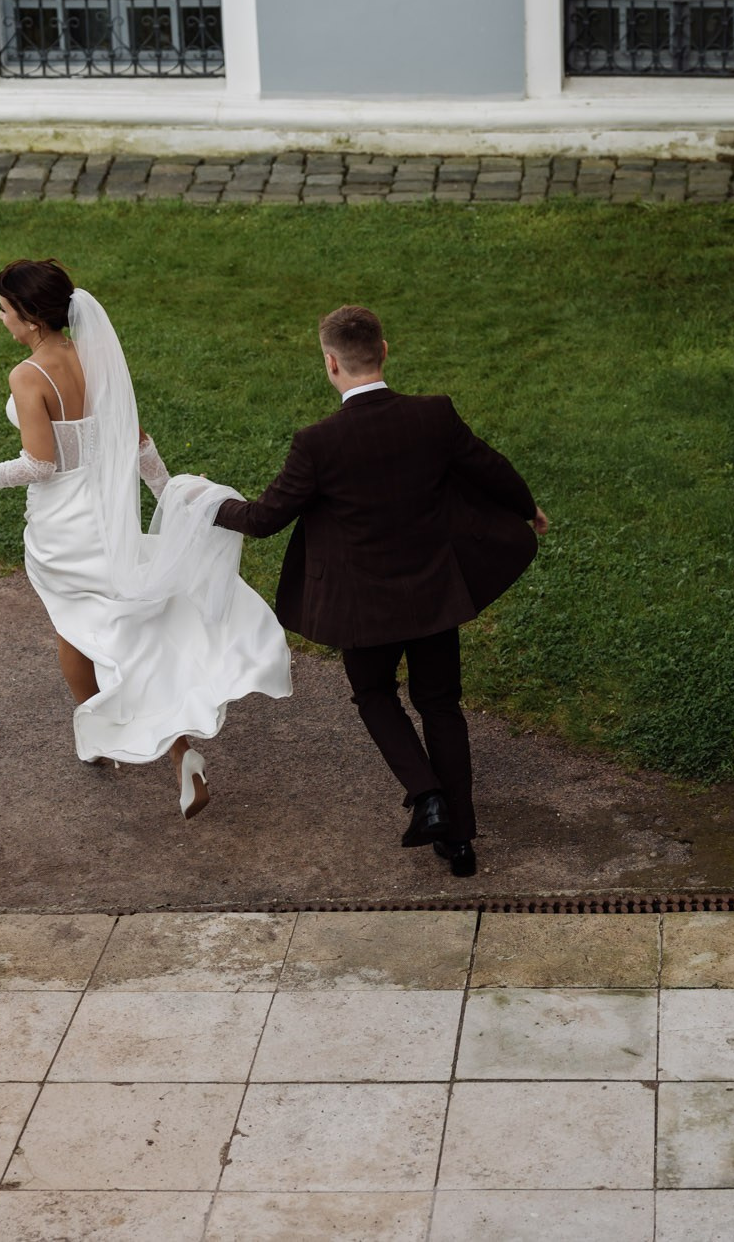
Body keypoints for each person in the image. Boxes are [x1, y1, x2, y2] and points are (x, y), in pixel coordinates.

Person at [0, 259, 291, 818]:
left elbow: (40, 464)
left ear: (30, 318)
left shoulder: (28, 376)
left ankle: (108, 736)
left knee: (75, 629)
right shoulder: (95, 356)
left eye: (4, 310)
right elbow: (138, 440)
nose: (0, 318)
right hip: (111, 519)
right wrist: (169, 494)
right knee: (126, 631)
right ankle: (172, 750)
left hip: (63, 531)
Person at [215, 305, 545, 877]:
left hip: (362, 608)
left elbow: (265, 519)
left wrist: (208, 505)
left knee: (373, 694)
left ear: (330, 363)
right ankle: (461, 844)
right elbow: (490, 468)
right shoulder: (432, 416)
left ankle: (428, 796)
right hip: (433, 594)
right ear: (384, 351)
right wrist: (527, 508)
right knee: (440, 704)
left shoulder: (318, 443)